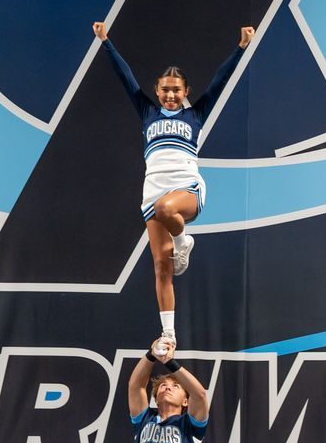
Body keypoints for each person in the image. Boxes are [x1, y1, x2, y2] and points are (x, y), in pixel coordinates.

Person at [90, 20, 253, 351]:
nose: (170, 94)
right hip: (151, 191)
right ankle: (169, 334)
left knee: (168, 210)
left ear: (186, 92)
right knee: (161, 267)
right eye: (164, 89)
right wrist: (105, 41)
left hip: (185, 187)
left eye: (176, 89)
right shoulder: (147, 112)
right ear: (157, 90)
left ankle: (183, 242)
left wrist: (240, 48)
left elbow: (221, 80)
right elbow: (126, 78)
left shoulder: (196, 115)